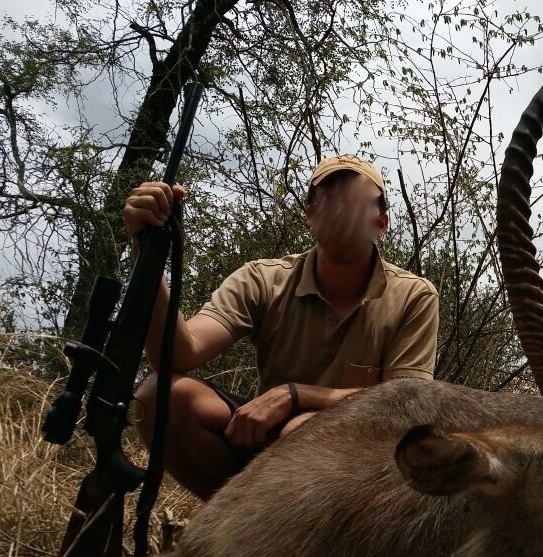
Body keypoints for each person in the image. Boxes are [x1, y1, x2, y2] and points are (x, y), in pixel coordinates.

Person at [121, 155, 439, 499]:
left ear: (381, 223)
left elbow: (406, 401)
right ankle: (232, 525)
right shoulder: (263, 279)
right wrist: (146, 248)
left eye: (359, 202)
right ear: (311, 215)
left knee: (300, 430)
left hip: (354, 466)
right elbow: (179, 353)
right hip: (262, 443)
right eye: (328, 199)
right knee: (159, 397)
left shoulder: (413, 295)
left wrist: (295, 395)